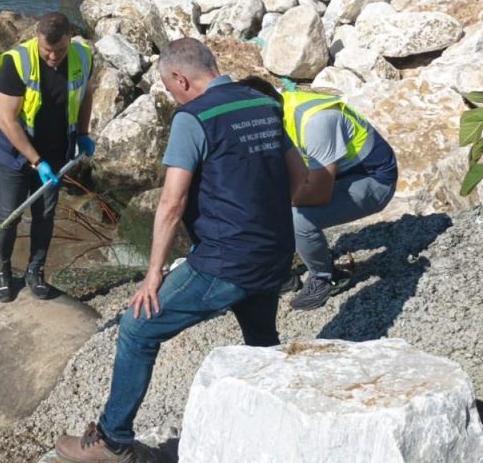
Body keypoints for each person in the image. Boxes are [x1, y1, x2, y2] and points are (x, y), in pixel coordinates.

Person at [54, 38, 307, 463]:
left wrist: (153, 274)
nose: (173, 97)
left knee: (137, 328)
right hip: (276, 251)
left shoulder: (194, 118)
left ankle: (113, 443)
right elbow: (298, 177)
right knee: (262, 339)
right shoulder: (261, 102)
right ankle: (278, 424)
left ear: (180, 78)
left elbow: (171, 203)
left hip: (225, 260)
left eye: (171, 91)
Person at [242, 79, 398, 311]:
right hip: (334, 175)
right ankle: (282, 272)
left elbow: (320, 193)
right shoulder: (273, 116)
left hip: (372, 178)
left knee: (297, 217)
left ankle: (327, 276)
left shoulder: (315, 121)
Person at [0, 11, 95, 303]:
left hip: (56, 149)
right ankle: (2, 271)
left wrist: (84, 133)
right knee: (9, 215)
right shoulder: (16, 63)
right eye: (46, 50)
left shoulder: (83, 56)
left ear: (70, 40)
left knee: (45, 215)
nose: (52, 57)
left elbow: (86, 94)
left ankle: (36, 271)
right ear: (36, 38)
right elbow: (7, 122)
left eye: (59, 50)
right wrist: (36, 162)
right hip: (14, 151)